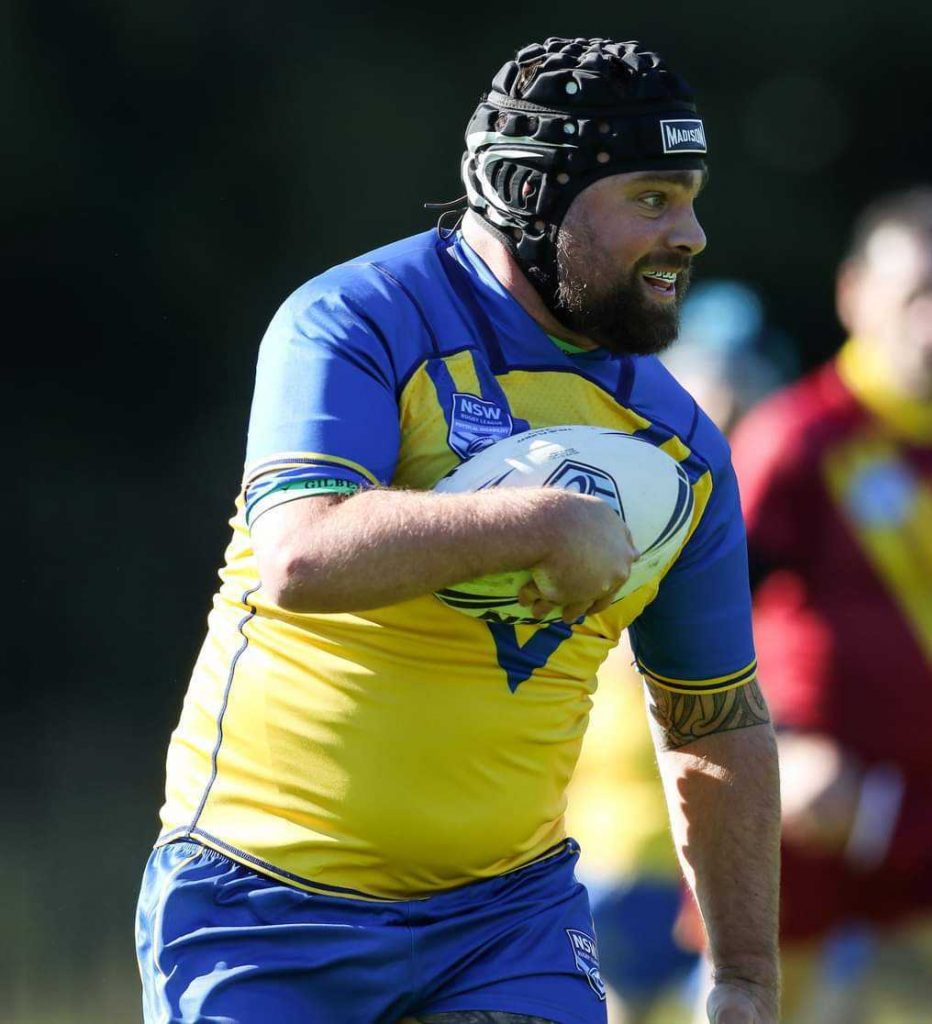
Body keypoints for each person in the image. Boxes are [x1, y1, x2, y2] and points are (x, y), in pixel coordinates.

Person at [135, 37, 780, 1024]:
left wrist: (743, 977)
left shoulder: (684, 445)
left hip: (503, 924)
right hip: (258, 901)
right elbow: (300, 554)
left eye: (691, 195)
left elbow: (715, 720)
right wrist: (540, 520)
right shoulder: (357, 320)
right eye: (652, 197)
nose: (691, 233)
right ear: (533, 192)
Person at [728, 186, 932, 1022]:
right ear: (853, 295)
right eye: (917, 297)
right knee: (764, 1006)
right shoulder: (799, 436)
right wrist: (771, 745)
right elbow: (673, 618)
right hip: (804, 804)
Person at [566, 282, 796, 1024]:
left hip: (716, 859)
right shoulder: (618, 486)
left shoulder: (776, 526)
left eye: (744, 380)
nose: (725, 397)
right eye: (709, 374)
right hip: (608, 846)